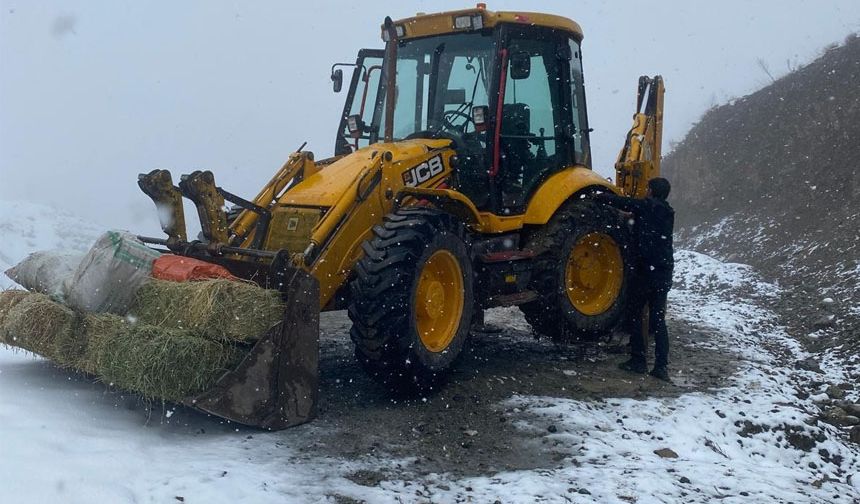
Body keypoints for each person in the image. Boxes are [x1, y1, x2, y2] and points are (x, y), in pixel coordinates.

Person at [594, 177, 675, 381]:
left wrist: (601, 196)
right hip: (663, 272)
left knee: (634, 314)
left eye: (647, 188)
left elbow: (627, 204)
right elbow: (635, 212)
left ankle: (638, 360)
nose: (645, 191)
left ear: (651, 191)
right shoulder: (666, 212)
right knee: (658, 321)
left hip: (645, 272)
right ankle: (661, 366)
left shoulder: (648, 206)